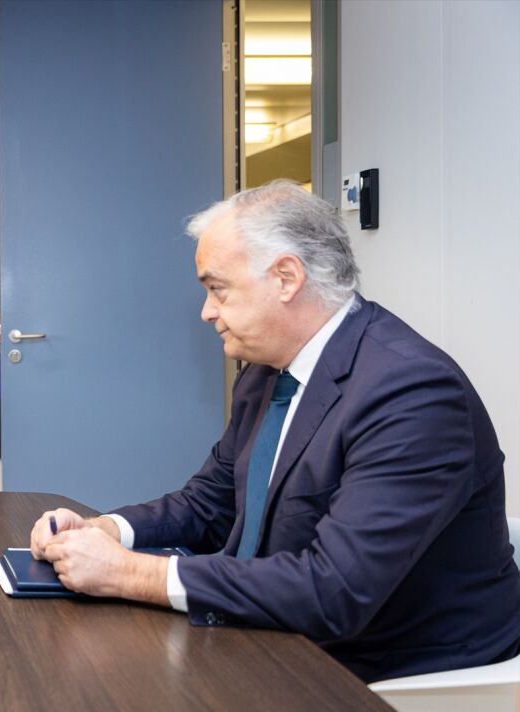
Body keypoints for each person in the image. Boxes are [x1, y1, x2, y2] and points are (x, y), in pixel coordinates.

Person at [29, 181, 520, 683]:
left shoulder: (411, 392)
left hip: (385, 663)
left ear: (286, 278)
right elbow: (211, 504)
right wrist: (107, 530)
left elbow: (334, 593)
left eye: (217, 289)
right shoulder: (264, 373)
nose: (207, 312)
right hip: (272, 630)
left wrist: (130, 572)